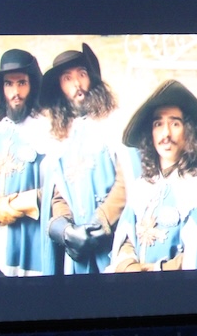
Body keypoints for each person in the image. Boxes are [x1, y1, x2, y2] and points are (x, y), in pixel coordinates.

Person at [110, 80, 197, 273]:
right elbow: (127, 237)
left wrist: (153, 270)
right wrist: (129, 266)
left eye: (175, 124)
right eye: (158, 124)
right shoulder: (143, 187)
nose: (166, 134)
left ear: (189, 132)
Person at [40, 43, 135, 274]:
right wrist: (67, 230)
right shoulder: (57, 136)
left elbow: (127, 179)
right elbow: (57, 193)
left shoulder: (114, 122)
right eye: (67, 78)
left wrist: (99, 223)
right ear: (60, 87)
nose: (77, 85)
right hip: (78, 245)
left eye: (82, 75)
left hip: (113, 236)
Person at [0, 48, 53, 276]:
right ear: (1, 89)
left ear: (32, 86)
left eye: (21, 83)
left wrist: (16, 204)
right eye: (9, 84)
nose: (16, 92)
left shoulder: (48, 131)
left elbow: (57, 188)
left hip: (34, 240)